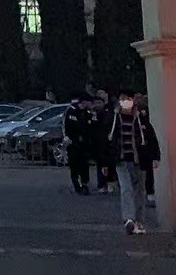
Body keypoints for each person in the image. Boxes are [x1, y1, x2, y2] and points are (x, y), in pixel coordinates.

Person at [105, 91, 161, 234]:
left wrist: (155, 156)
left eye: (128, 99)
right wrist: (105, 162)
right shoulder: (113, 119)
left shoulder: (140, 118)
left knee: (139, 191)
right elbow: (105, 141)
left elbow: (151, 137)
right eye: (123, 99)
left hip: (140, 160)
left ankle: (139, 221)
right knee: (126, 188)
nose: (126, 102)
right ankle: (129, 218)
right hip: (121, 160)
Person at [63, 94, 95, 195]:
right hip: (73, 143)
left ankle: (84, 184)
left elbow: (90, 127)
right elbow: (65, 125)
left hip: (84, 144)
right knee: (74, 165)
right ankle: (77, 185)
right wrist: (66, 137)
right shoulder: (71, 110)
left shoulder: (87, 112)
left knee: (84, 165)